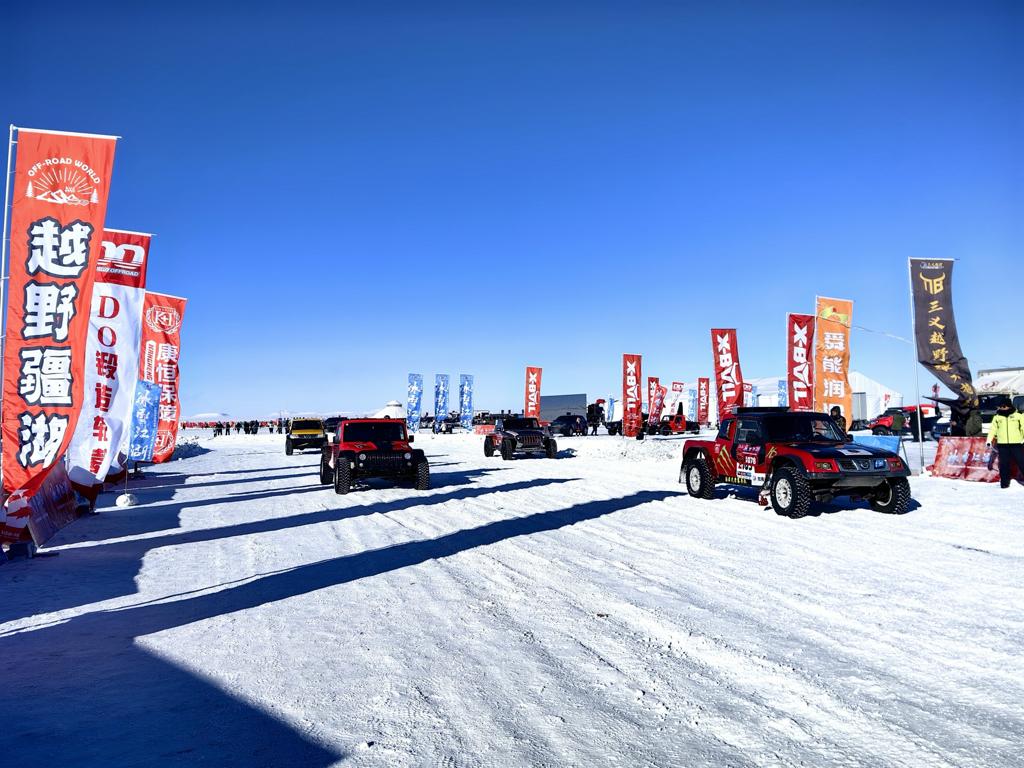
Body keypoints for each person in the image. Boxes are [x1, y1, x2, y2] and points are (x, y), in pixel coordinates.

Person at [987, 399, 1024, 489]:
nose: (1002, 408)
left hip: (1016, 444)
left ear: (1009, 406)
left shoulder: (1018, 415)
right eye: (1000, 406)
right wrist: (988, 440)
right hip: (1003, 445)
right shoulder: (997, 417)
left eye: (1004, 406)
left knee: (1022, 463)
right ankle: (1004, 484)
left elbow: (1023, 427)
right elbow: (993, 429)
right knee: (1003, 465)